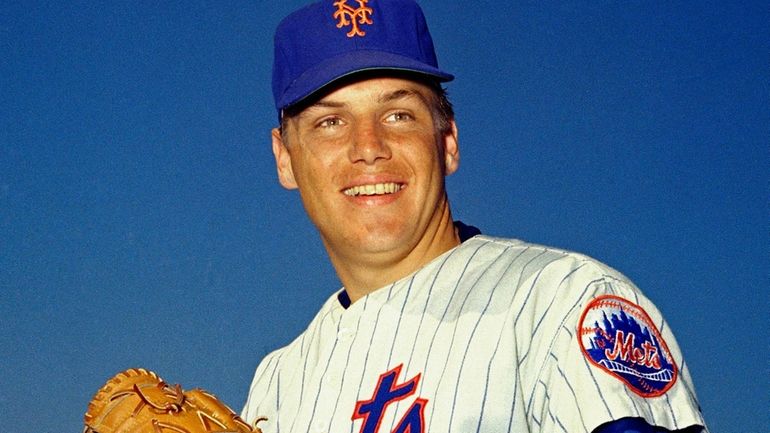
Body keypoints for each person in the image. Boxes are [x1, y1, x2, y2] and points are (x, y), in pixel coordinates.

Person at [241, 1, 709, 432]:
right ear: (285, 159)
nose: (368, 148)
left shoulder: (563, 303)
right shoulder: (275, 386)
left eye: (399, 115)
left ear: (448, 143)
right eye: (330, 122)